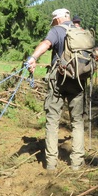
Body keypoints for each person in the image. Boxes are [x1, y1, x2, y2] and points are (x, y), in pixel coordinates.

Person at [26, 9, 86, 171]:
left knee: (52, 120)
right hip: (78, 80)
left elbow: (46, 44)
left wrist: (33, 58)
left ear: (57, 19)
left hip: (59, 80)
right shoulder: (80, 31)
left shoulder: (56, 30)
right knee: (78, 121)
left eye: (53, 21)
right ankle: (77, 162)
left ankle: (51, 163)